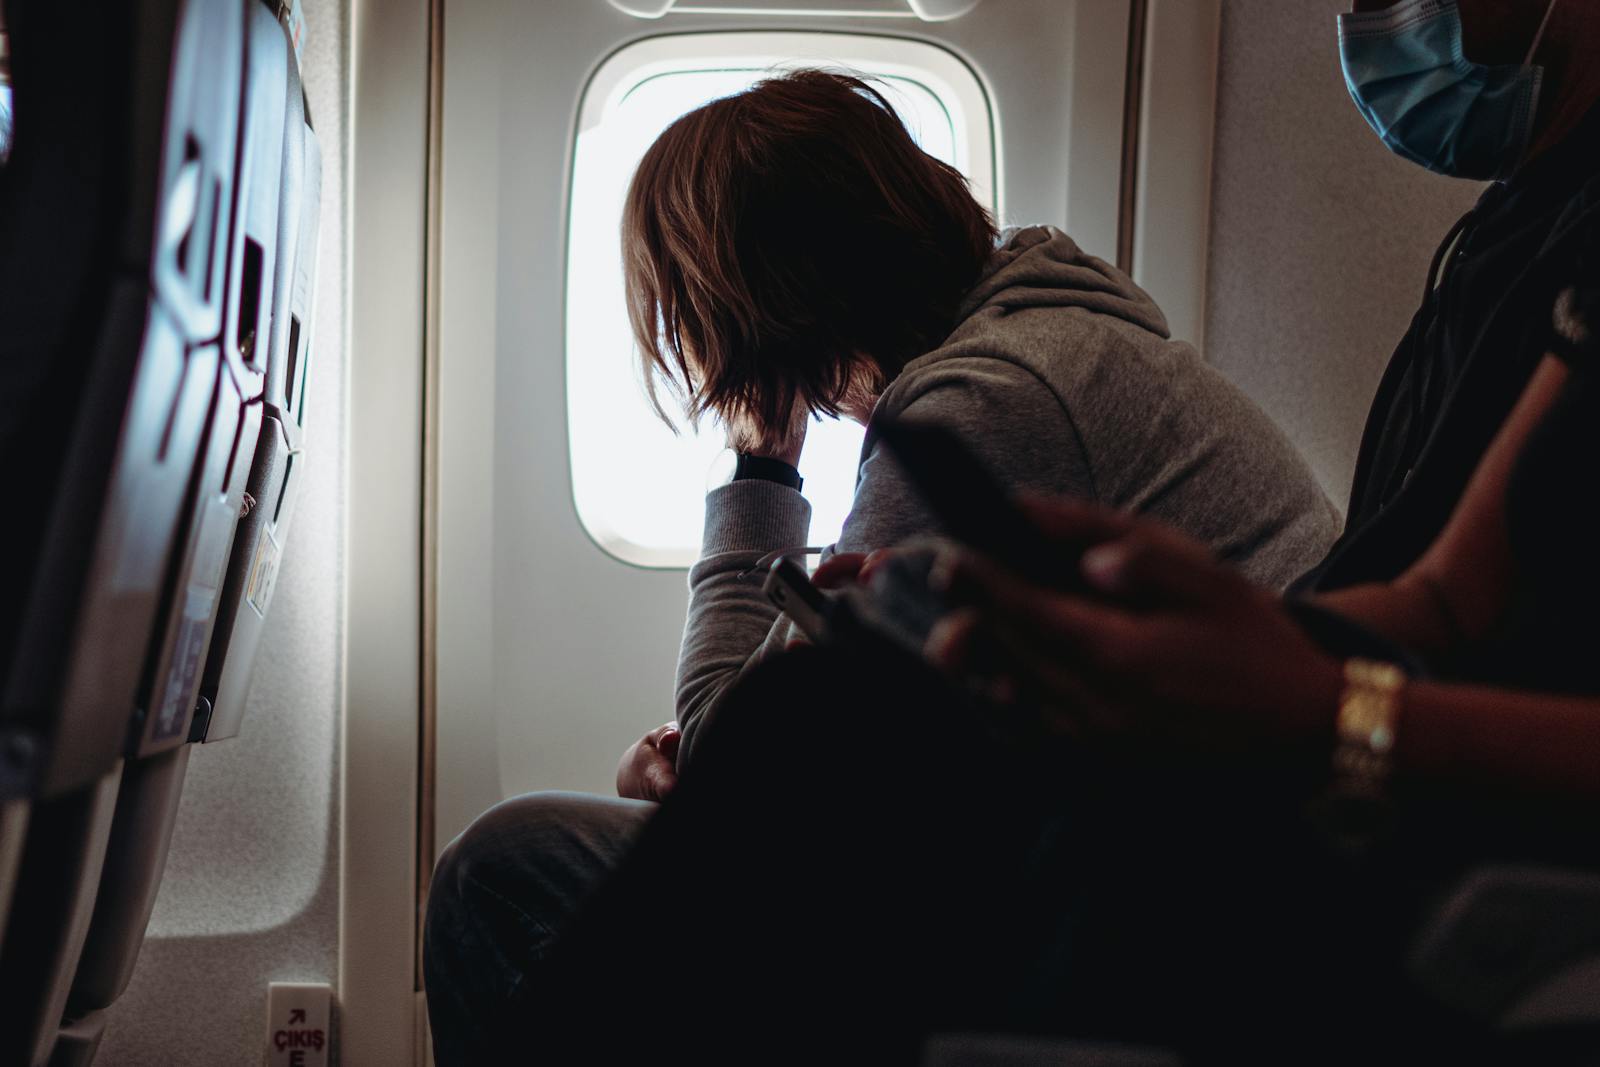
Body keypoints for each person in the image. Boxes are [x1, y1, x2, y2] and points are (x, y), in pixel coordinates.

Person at [433, 1, 1600, 1062]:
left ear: (754, 319)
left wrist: (758, 457)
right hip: (1248, 773)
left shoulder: (992, 391)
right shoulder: (1517, 253)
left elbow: (719, 746)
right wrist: (1178, 632)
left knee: (519, 863)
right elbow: (1440, 595)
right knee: (799, 734)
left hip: (1295, 821)